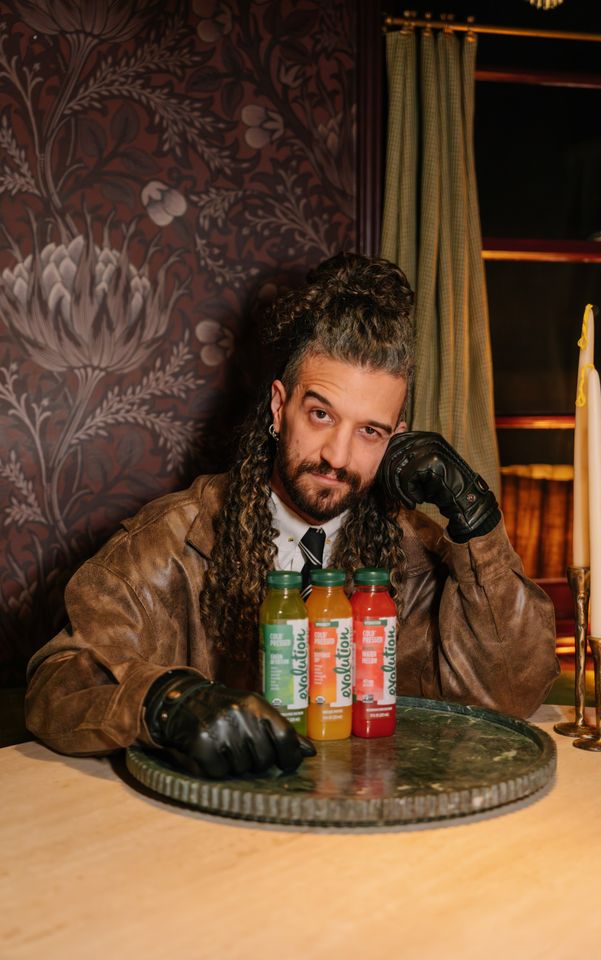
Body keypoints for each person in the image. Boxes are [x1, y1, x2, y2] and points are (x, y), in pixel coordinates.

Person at [25, 253, 559, 778]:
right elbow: (57, 687)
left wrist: (476, 517)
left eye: (368, 431)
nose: (337, 455)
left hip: (374, 828)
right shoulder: (170, 543)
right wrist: (168, 703)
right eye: (321, 414)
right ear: (280, 407)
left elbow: (512, 691)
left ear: (396, 439)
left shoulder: (416, 553)